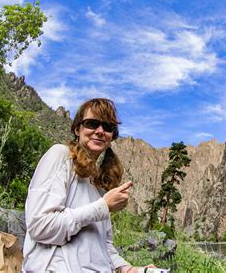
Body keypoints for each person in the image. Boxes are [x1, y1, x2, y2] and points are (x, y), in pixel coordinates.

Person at [23, 98, 149, 272]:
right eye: (92, 124)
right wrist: (102, 206)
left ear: (112, 135)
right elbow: (40, 226)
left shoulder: (98, 184)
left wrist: (128, 269)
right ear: (77, 129)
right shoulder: (60, 156)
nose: (100, 131)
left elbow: (104, 247)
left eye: (107, 127)